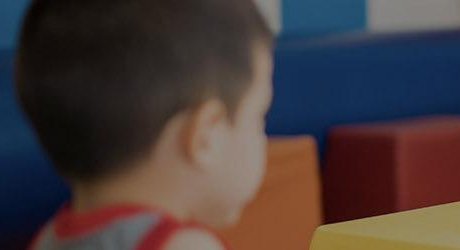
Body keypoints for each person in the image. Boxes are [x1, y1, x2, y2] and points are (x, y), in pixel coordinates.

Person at [15, 0, 274, 249]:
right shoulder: (184, 246)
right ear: (206, 137)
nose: (262, 137)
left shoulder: (47, 240)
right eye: (258, 118)